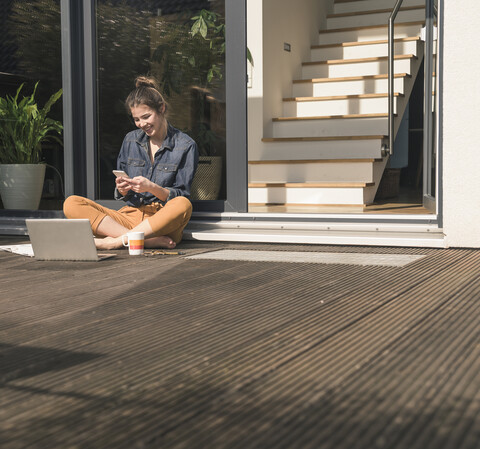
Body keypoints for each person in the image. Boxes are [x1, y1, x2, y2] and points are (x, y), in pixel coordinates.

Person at [63, 76, 199, 250]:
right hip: (129, 217)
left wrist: (151, 187)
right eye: (136, 119)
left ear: (162, 109)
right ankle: (142, 241)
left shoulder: (185, 145)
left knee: (183, 205)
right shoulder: (130, 140)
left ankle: (115, 241)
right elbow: (125, 193)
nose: (141, 124)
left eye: (146, 117)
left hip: (160, 222)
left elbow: (181, 194)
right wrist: (122, 190)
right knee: (72, 203)